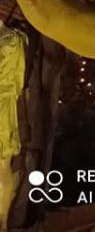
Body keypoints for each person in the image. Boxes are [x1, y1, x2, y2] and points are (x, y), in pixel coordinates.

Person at [0, 12, 26, 232]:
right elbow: (18, 81)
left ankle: (3, 221)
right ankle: (3, 222)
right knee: (3, 165)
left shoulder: (11, 39)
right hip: (6, 104)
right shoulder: (15, 38)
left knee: (2, 165)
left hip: (3, 105)